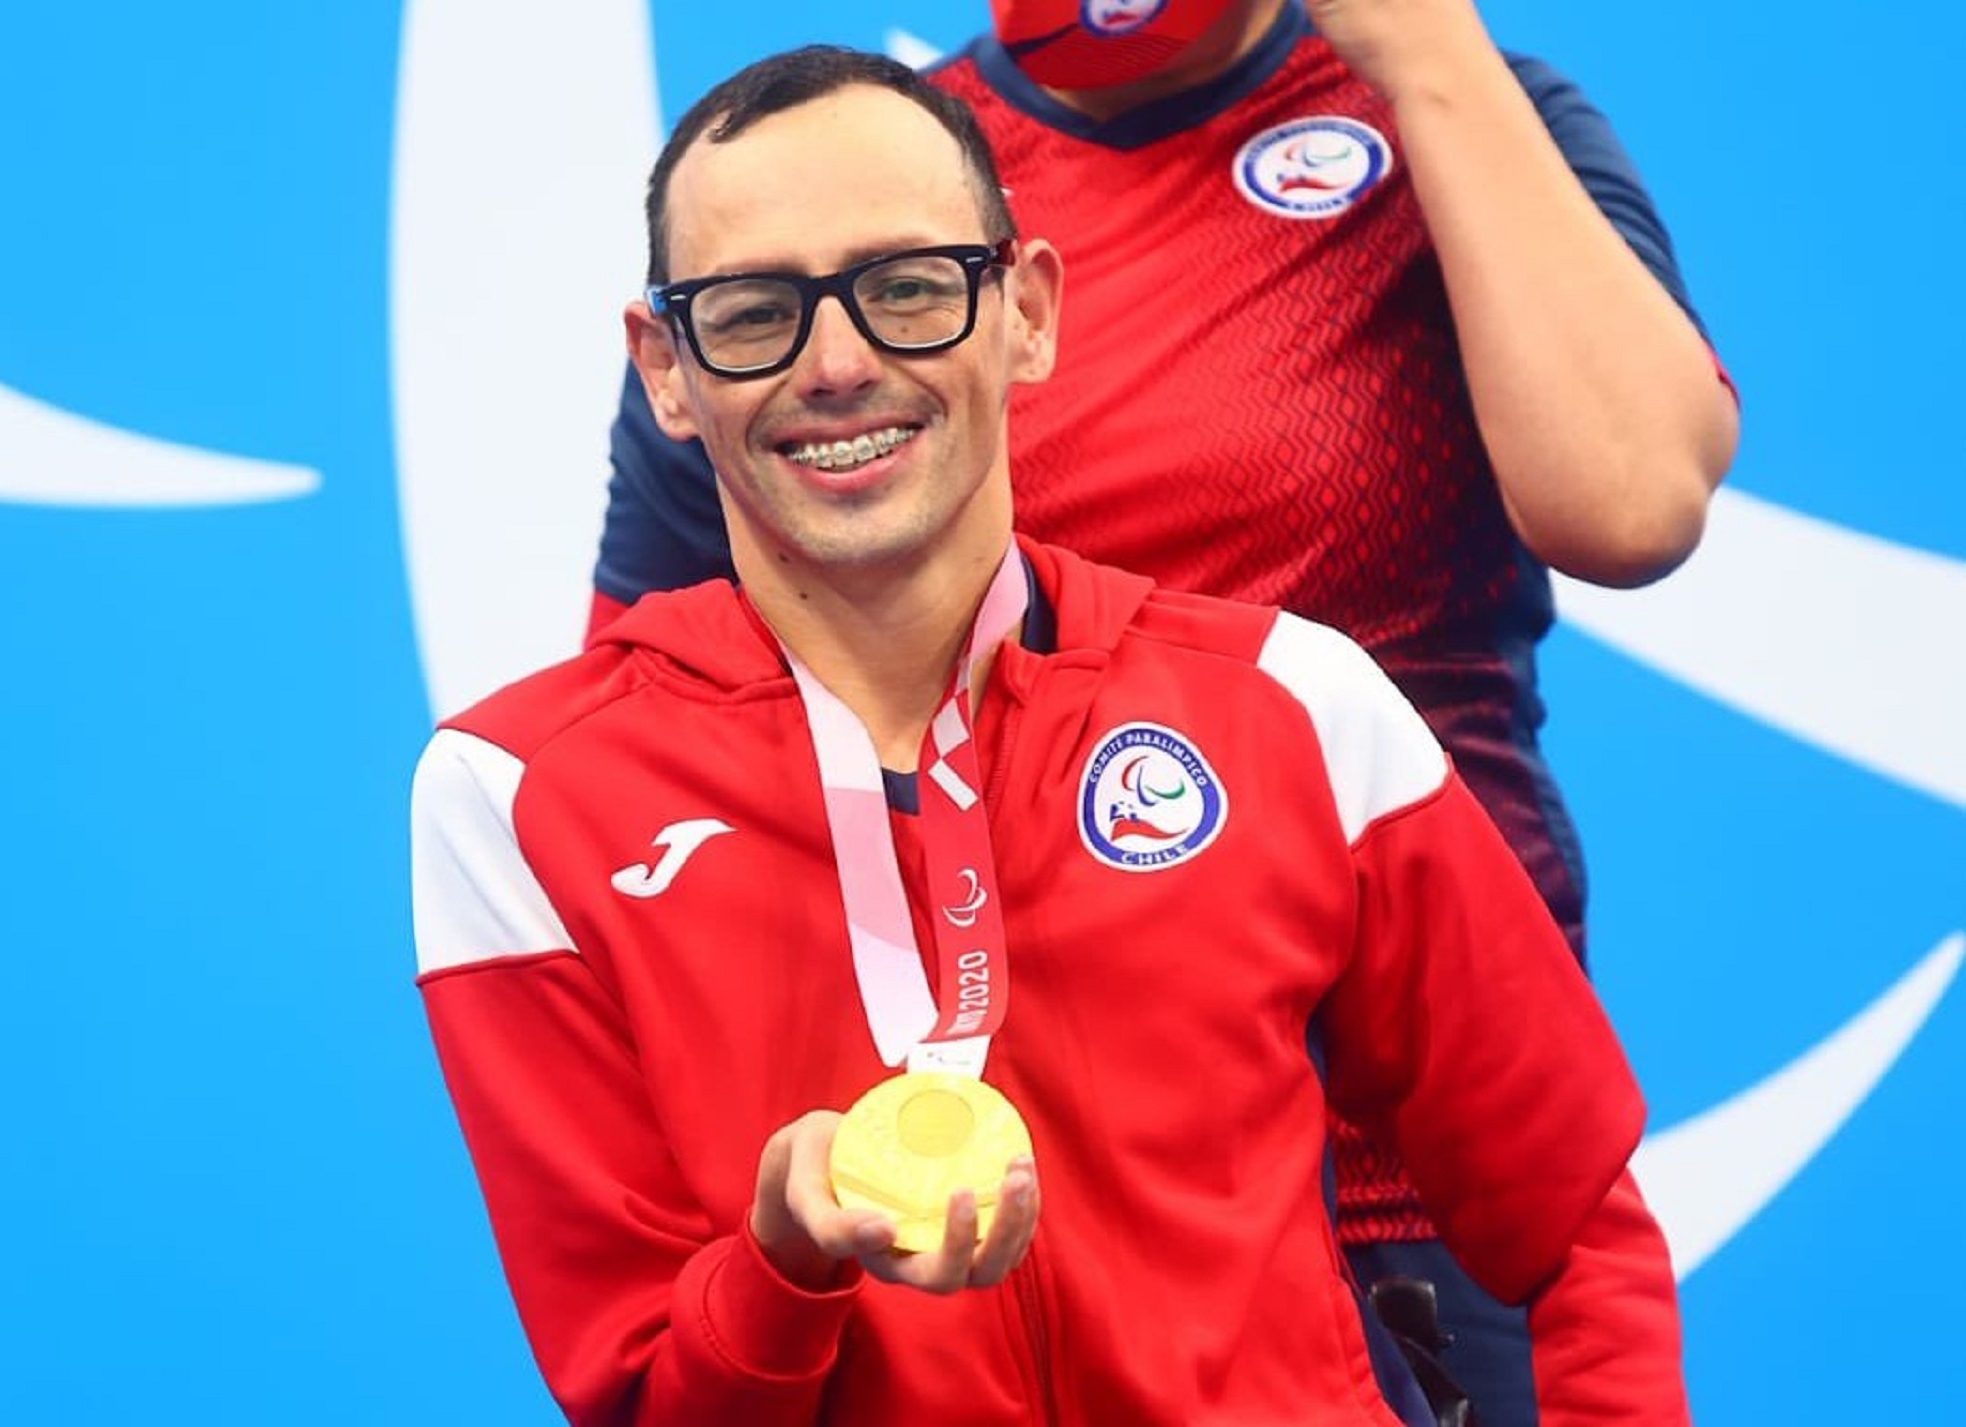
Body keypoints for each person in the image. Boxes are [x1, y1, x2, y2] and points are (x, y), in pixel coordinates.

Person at [412, 45, 1691, 1427]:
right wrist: (780, 1275)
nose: (838, 365)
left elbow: (1575, 1237)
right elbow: (646, 1401)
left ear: (1027, 314)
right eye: (753, 312)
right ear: (666, 371)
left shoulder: (1293, 707)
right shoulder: (522, 803)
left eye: (907, 290)